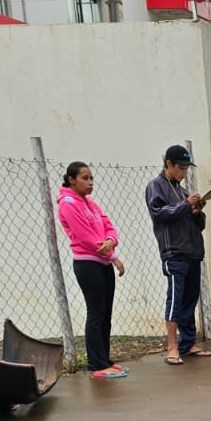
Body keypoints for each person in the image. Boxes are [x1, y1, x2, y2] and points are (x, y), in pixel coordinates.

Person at [56, 161, 128, 379]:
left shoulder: (90, 203)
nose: (90, 183)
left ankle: (105, 359)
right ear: (71, 180)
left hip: (103, 261)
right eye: (85, 178)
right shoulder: (68, 203)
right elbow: (85, 237)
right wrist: (112, 254)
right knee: (96, 313)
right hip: (88, 263)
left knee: (106, 313)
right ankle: (96, 364)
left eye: (91, 178)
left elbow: (109, 226)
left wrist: (110, 240)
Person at [146, 144, 211, 365]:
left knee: (190, 298)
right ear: (169, 164)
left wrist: (196, 211)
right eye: (181, 168)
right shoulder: (156, 186)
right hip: (174, 253)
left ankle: (187, 343)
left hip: (193, 252)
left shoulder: (183, 192)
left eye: (186, 168)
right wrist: (186, 205)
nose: (184, 172)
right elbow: (159, 213)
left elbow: (199, 224)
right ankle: (172, 346)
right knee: (175, 298)